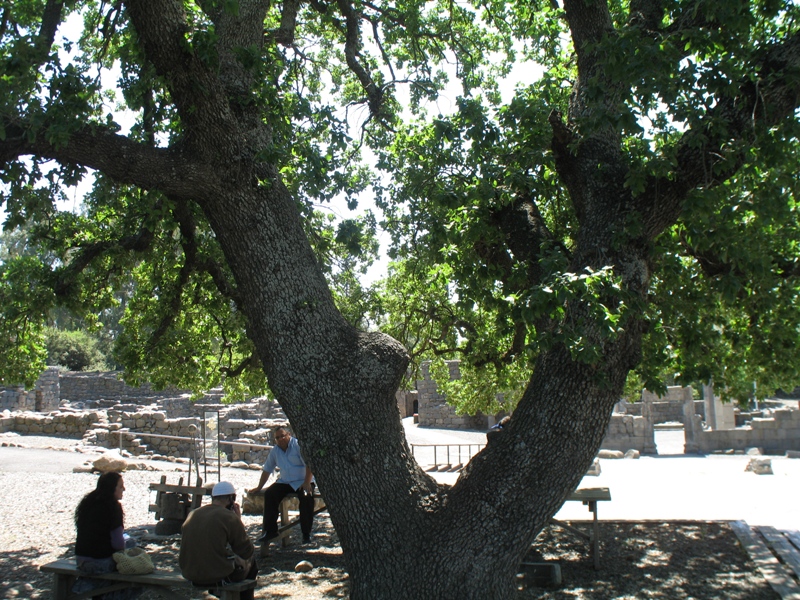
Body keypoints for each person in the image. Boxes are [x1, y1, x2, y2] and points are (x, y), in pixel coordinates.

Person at [179, 481, 258, 600]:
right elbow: (246, 551)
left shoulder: (193, 514)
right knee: (251, 563)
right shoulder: (229, 517)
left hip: (189, 573)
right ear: (231, 499)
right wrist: (238, 522)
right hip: (216, 577)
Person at [73, 471, 140, 600]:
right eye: (120, 486)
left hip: (81, 559)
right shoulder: (113, 507)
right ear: (111, 488)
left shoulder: (87, 503)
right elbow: (118, 544)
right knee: (132, 546)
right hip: (100, 562)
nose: (124, 489)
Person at [249, 426, 315, 544]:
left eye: (283, 436)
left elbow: (309, 464)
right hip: (285, 482)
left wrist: (307, 482)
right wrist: (259, 487)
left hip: (302, 480)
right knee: (270, 494)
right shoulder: (275, 451)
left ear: (289, 434)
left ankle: (306, 534)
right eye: (278, 437)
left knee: (306, 497)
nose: (281, 439)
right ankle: (270, 531)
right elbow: (267, 470)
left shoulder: (298, 446)